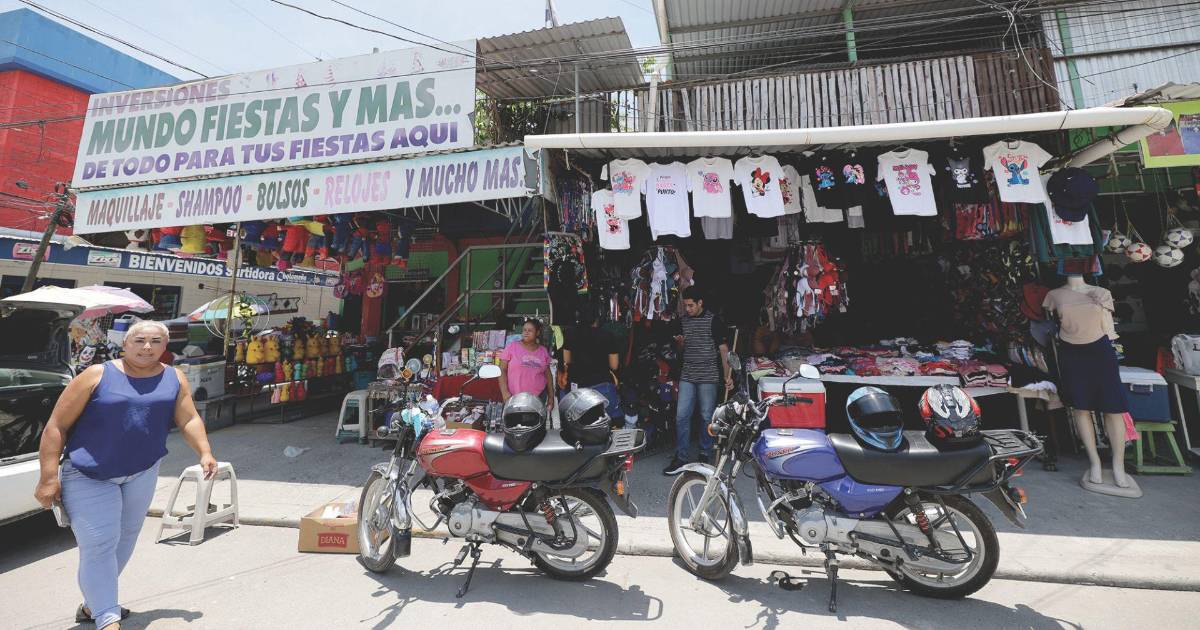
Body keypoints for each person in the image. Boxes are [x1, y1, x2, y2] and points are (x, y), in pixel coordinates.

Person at [34, 320, 217, 630]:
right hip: (89, 474)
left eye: (155, 341)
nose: (147, 347)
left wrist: (205, 451)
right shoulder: (96, 375)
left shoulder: (174, 377)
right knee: (100, 544)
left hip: (142, 471)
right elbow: (56, 426)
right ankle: (108, 618)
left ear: (165, 346)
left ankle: (93, 604)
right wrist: (48, 477)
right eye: (139, 340)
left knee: (125, 539)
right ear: (125, 344)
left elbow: (188, 419)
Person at [664, 286, 733, 475]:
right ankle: (681, 457)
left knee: (706, 416)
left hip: (708, 376)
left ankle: (704, 454)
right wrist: (680, 344)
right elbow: (680, 351)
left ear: (700, 303)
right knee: (681, 416)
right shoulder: (683, 321)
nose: (687, 309)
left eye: (691, 305)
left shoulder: (713, 321)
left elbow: (724, 350)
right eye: (685, 306)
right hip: (687, 374)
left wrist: (727, 376)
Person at [563, 305, 622, 421]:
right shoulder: (608, 336)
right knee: (603, 422)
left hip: (578, 389)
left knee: (580, 423)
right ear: (597, 319)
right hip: (602, 388)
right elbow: (614, 365)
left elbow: (567, 360)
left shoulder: (570, 334)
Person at [499, 318, 555, 411]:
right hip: (514, 398)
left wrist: (551, 398)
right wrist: (505, 392)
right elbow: (502, 369)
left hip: (538, 399)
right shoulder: (512, 346)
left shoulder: (543, 351)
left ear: (537, 333)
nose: (526, 332)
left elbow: (548, 375)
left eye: (530, 330)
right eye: (524, 330)